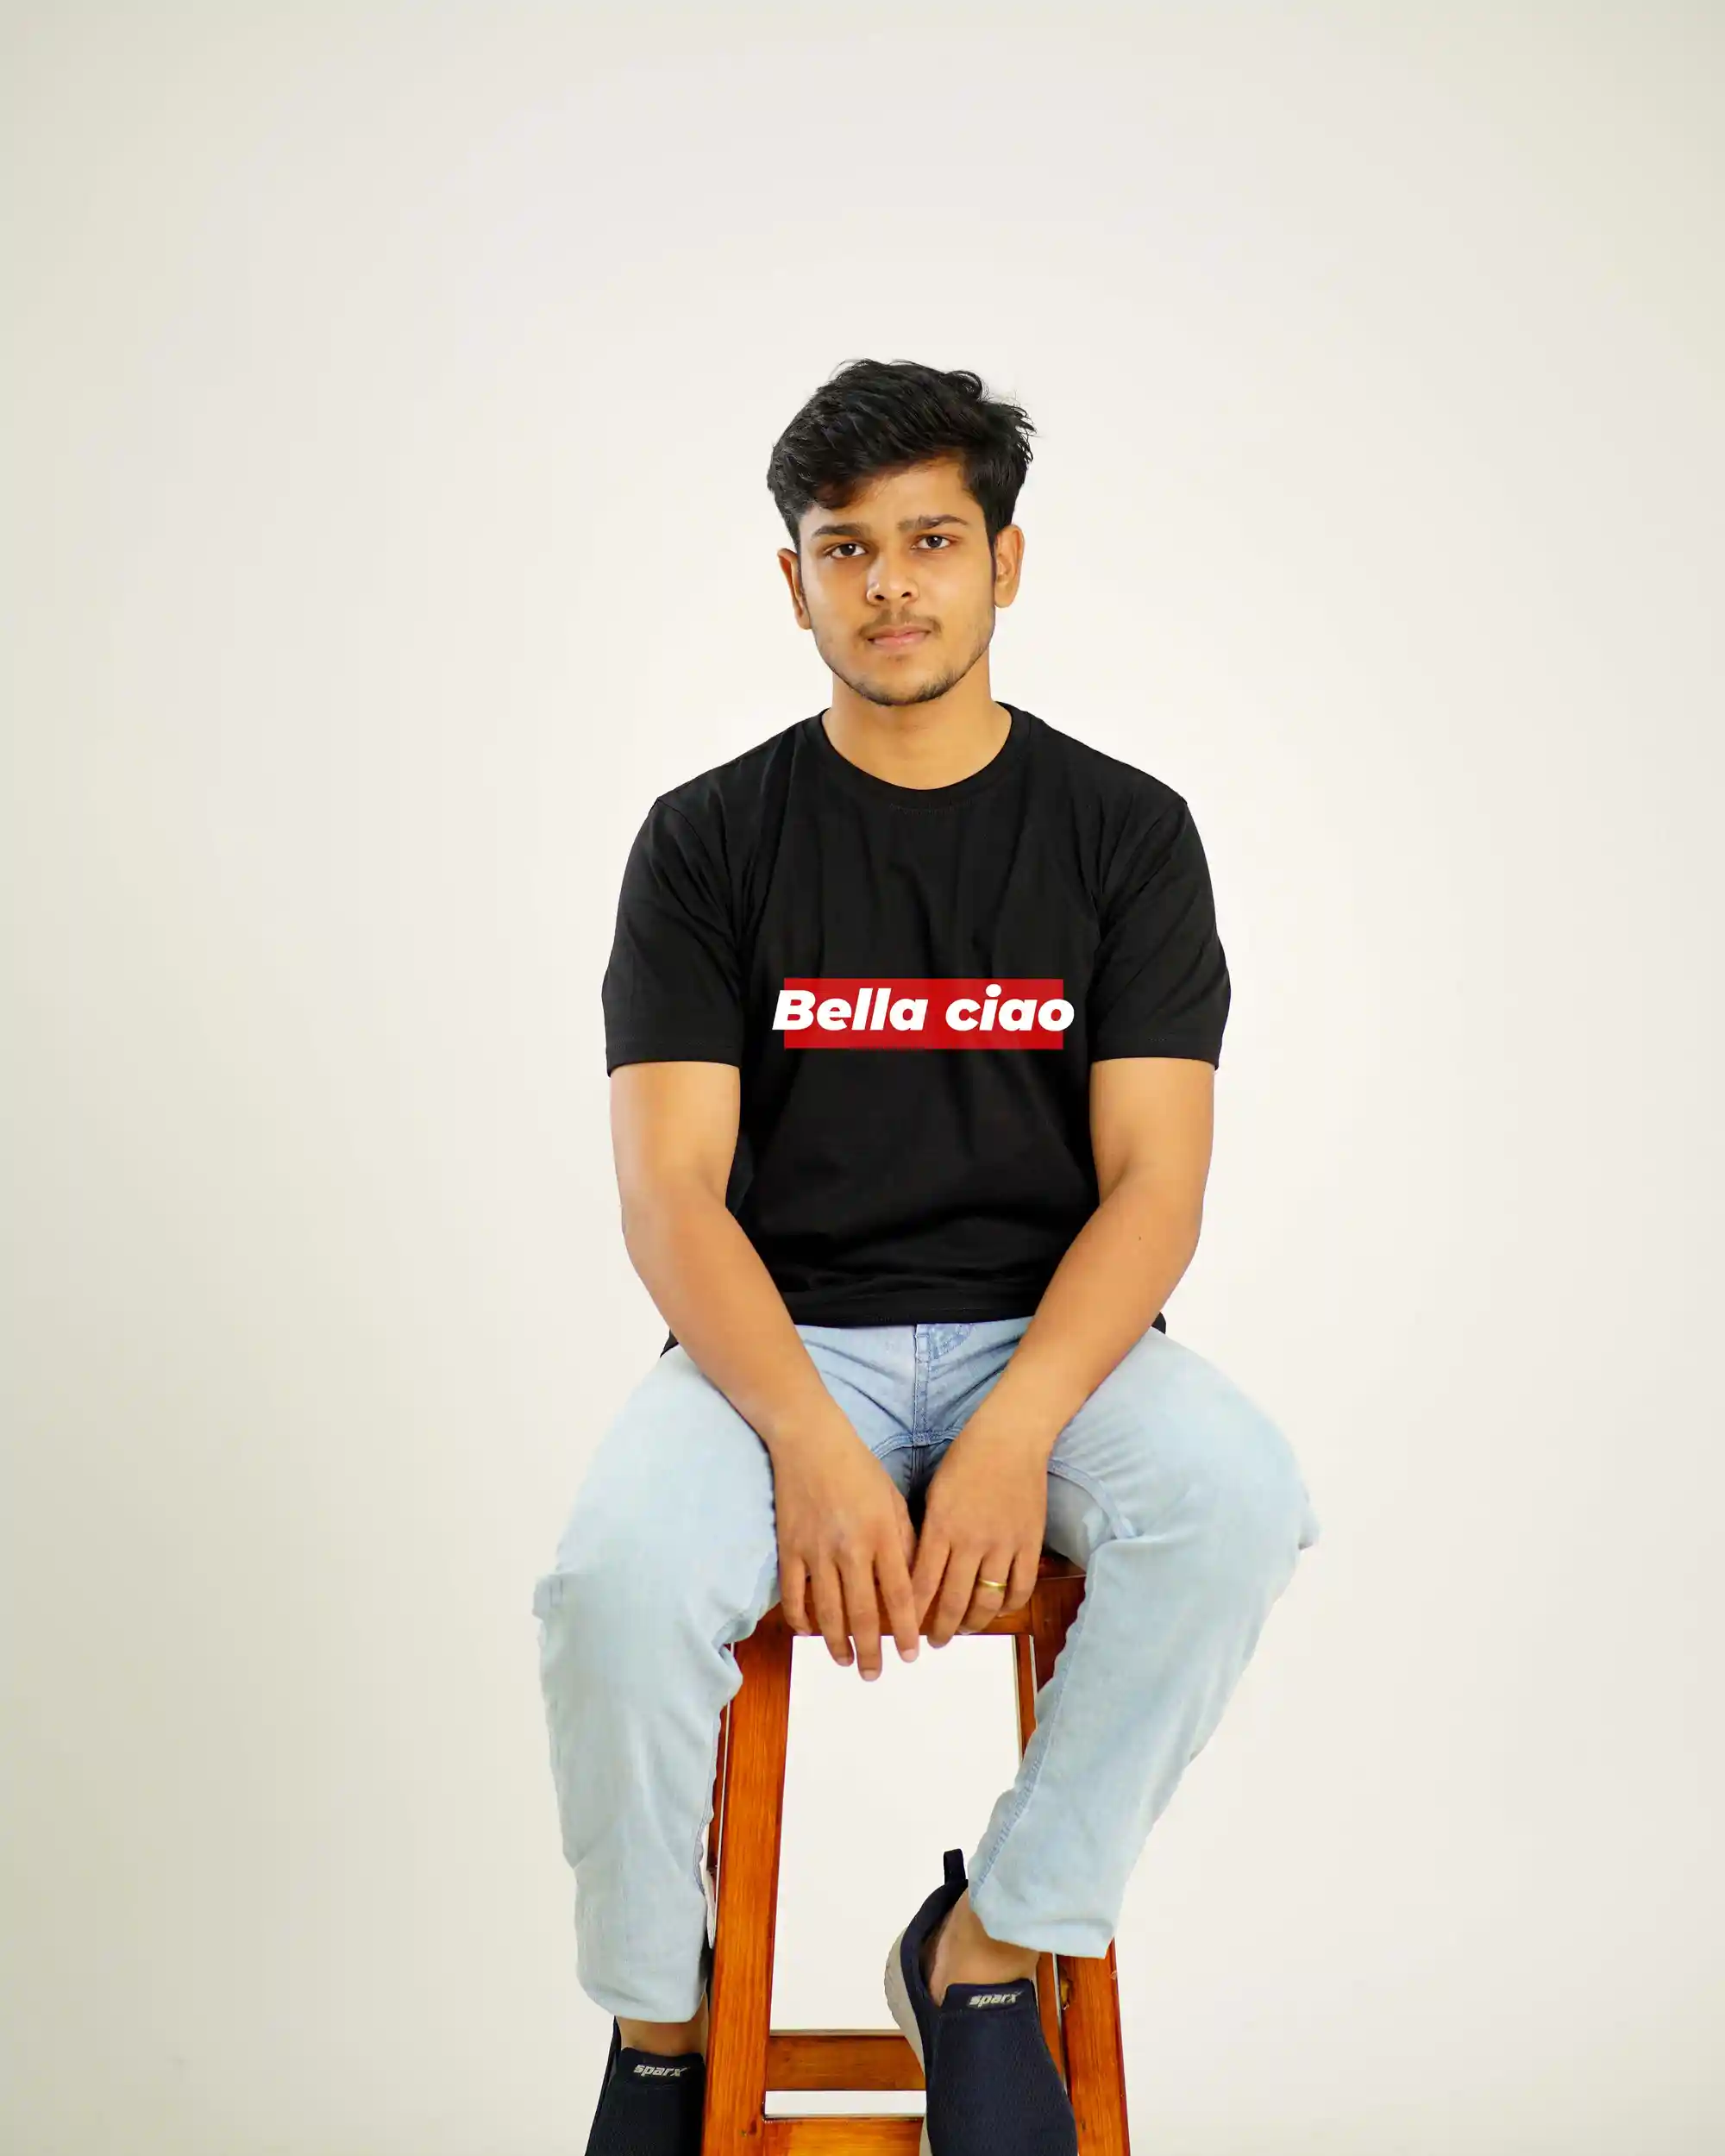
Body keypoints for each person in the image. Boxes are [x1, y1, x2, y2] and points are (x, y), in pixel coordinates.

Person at [531, 358, 1322, 2156]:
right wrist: (810, 1439)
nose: (890, 582)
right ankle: (661, 2024)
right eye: (847, 547)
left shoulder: (1123, 832)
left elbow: (1156, 1186)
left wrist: (1016, 1426)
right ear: (795, 580)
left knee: (1237, 1500)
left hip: (1055, 1343)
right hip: (769, 1345)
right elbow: (671, 1196)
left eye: (933, 540)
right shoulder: (709, 840)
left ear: (1004, 563)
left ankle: (988, 1948)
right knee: (614, 1588)